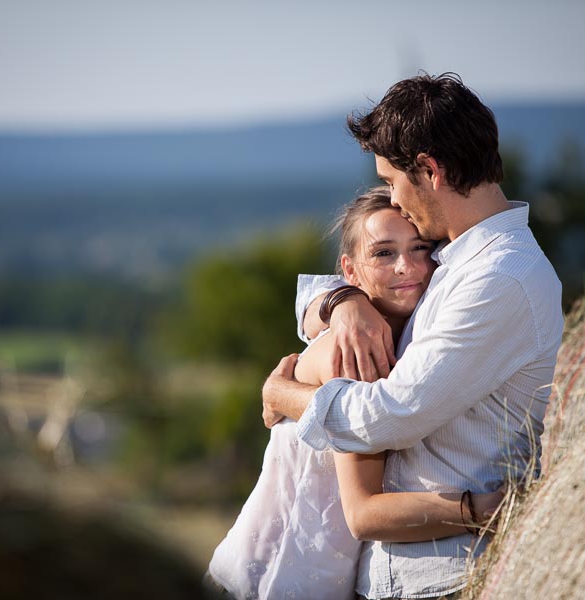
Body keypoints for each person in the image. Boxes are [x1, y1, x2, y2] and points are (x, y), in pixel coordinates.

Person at [262, 73, 564, 599]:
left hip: (449, 578)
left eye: (394, 181)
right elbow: (357, 280)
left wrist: (283, 395)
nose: (395, 201)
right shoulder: (453, 260)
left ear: (430, 170)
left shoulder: (499, 280)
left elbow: (390, 417)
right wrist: (341, 302)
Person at [207, 187, 504, 600]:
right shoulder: (355, 354)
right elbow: (363, 512)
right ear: (350, 270)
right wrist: (480, 510)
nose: (406, 267)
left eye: (420, 248)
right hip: (266, 581)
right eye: (384, 254)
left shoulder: (410, 342)